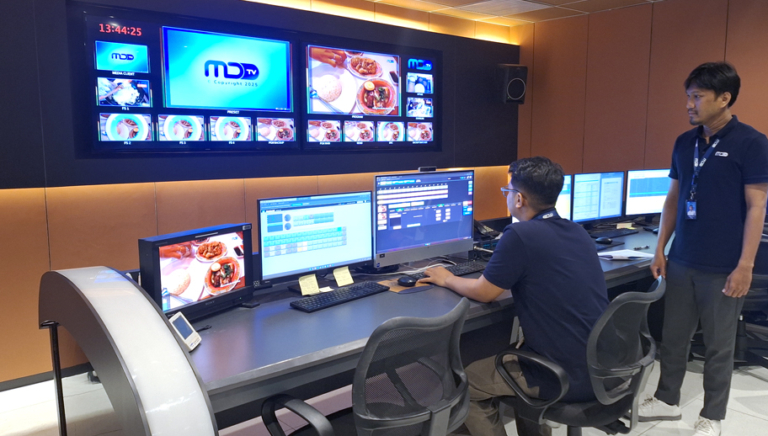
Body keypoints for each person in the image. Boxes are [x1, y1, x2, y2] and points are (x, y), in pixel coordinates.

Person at [419, 156, 609, 436]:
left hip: (562, 374)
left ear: (519, 199)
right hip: (600, 365)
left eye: (507, 191)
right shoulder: (576, 231)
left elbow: (485, 292)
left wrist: (447, 278)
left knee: (466, 383)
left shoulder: (521, 235)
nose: (506, 195)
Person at [640, 62, 768, 436]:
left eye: (697, 97)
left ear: (724, 98)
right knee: (674, 336)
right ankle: (666, 401)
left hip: (725, 265)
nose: (689, 104)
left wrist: (745, 265)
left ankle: (713, 416)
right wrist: (660, 248)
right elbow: (673, 199)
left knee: (718, 345)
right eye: (688, 96)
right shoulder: (685, 141)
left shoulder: (752, 143)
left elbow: (757, 206)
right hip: (682, 259)